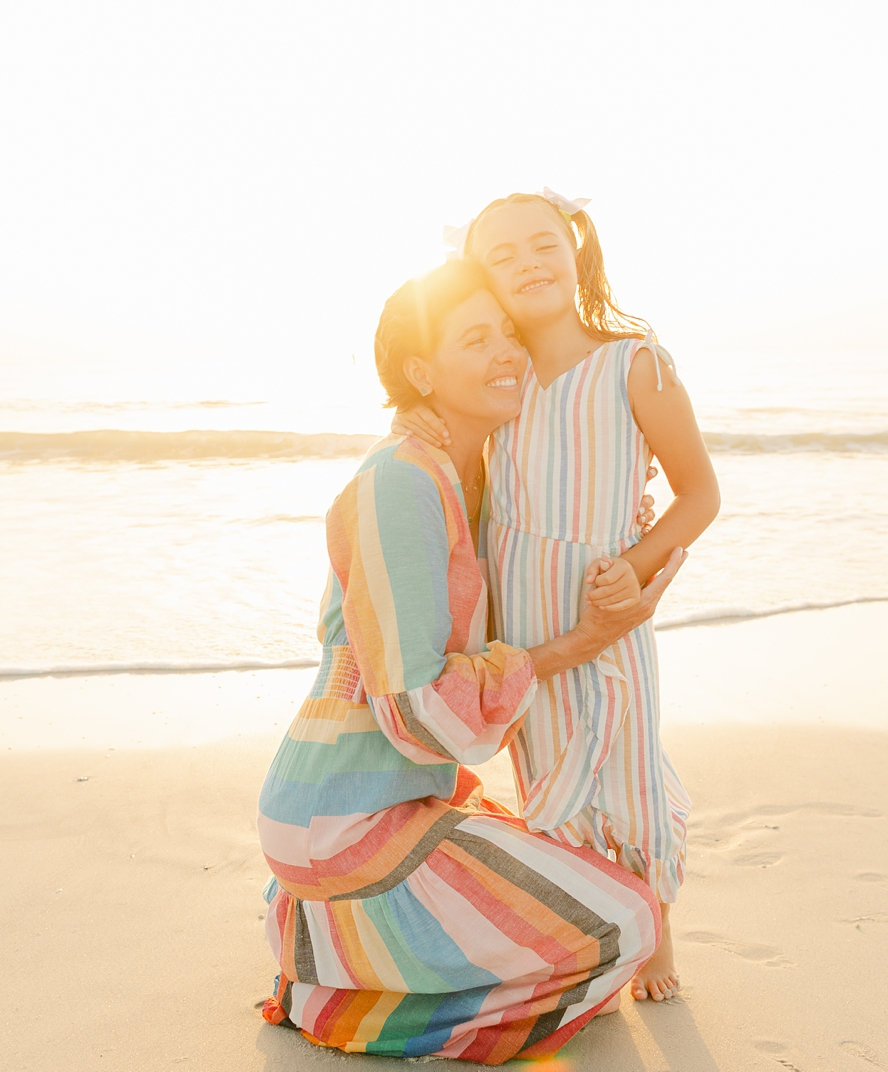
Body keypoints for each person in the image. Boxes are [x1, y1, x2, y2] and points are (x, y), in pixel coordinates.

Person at [257, 258, 685, 1064]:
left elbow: (545, 541)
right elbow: (418, 707)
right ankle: (348, 1008)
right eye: (475, 338)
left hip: (388, 800)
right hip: (340, 820)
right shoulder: (400, 483)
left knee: (588, 899)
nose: (507, 354)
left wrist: (624, 530)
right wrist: (576, 648)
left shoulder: (469, 473)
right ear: (422, 371)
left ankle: (338, 970)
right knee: (630, 922)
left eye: (508, 335)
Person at [403, 190, 720, 1002]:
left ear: (577, 247)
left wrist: (636, 562)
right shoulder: (498, 380)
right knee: (548, 773)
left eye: (542, 244)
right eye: (501, 257)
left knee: (625, 765)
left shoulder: (633, 362)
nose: (527, 265)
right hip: (523, 616)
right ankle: (594, 928)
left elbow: (698, 494)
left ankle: (655, 932)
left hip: (603, 608)